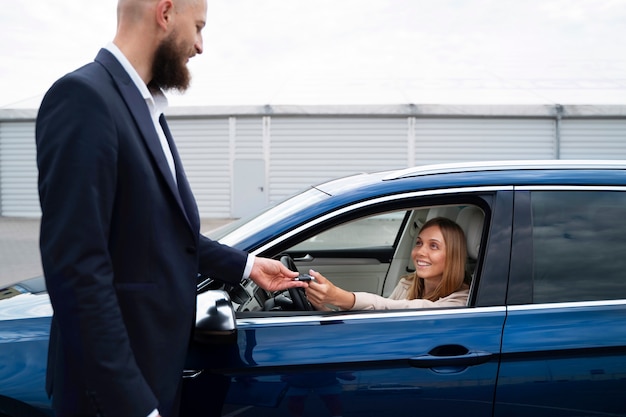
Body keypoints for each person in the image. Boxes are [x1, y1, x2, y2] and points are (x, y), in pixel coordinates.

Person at [35, 1, 304, 416]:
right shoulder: (84, 98)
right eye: (197, 27)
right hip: (112, 396)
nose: (199, 46)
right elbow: (77, 272)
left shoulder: (146, 109)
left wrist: (248, 266)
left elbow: (161, 232)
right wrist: (135, 405)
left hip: (152, 376)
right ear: (165, 13)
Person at [305, 217, 470, 310]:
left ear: (453, 256)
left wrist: (339, 296)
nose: (420, 252)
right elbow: (380, 320)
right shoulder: (407, 284)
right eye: (419, 243)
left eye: (433, 246)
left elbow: (393, 307)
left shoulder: (461, 301)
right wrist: (321, 308)